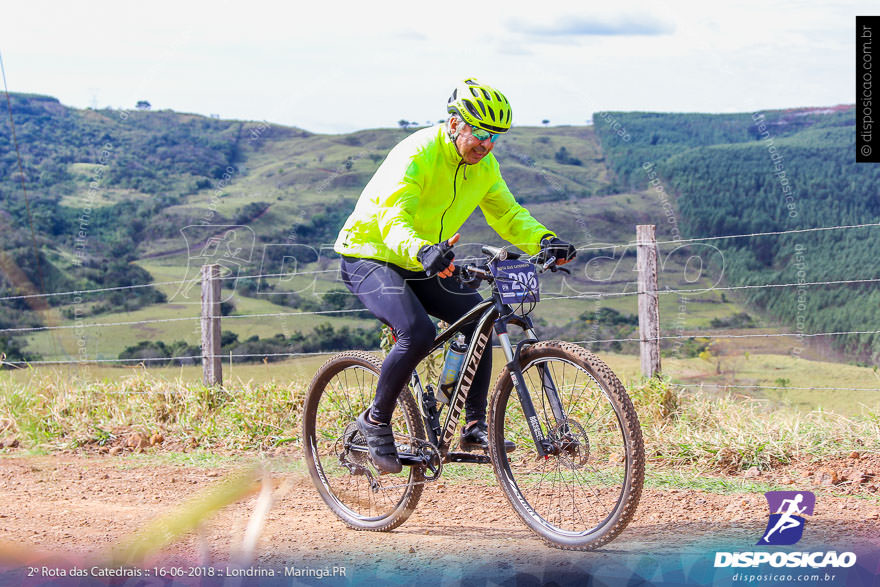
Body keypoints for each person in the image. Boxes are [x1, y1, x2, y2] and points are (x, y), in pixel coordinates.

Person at [334, 78, 576, 473]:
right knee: (417, 332)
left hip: (422, 259)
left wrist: (544, 240)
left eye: (494, 137)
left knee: (481, 318)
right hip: (370, 255)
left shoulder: (485, 166)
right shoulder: (417, 154)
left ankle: (473, 424)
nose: (486, 144)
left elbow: (508, 213)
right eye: (478, 133)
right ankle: (375, 421)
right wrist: (422, 249)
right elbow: (393, 217)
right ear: (453, 123)